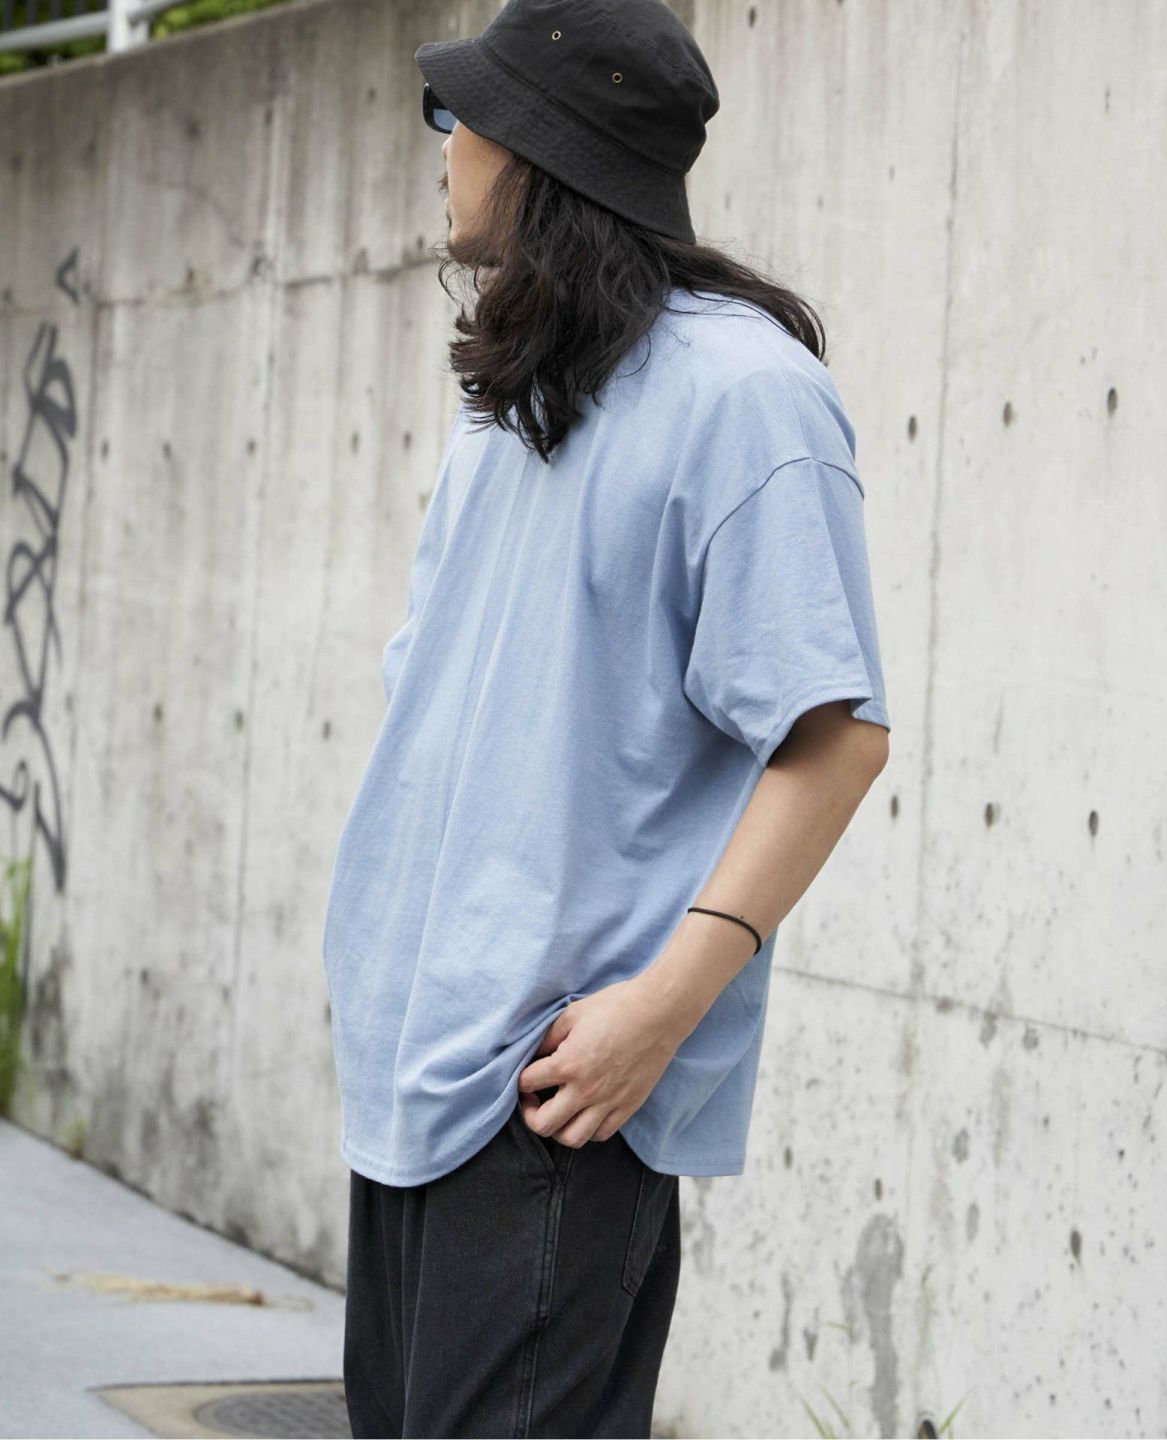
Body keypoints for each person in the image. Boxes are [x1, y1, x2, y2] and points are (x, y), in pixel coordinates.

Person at [323, 0, 892, 1434]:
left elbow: (835, 737)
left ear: (542, 150)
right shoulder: (518, 389)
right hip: (414, 1066)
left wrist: (662, 1007)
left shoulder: (745, 396)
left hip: (554, 1091)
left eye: (462, 114)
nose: (443, 144)